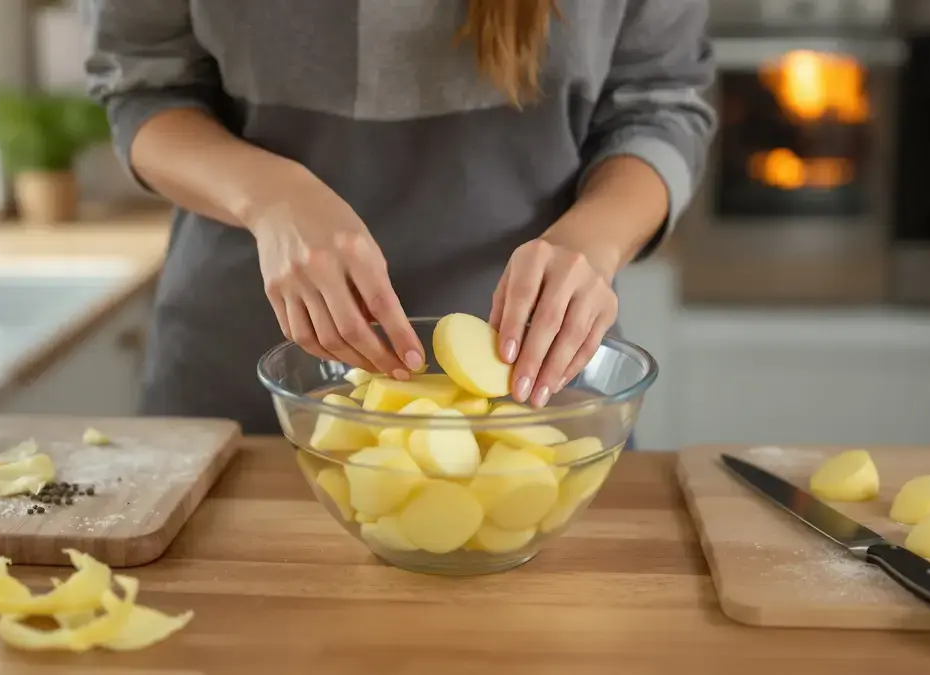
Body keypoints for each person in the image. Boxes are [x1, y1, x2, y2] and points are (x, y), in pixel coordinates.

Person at [83, 0, 716, 435]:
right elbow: (144, 92)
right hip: (245, 381)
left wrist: (595, 239)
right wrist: (270, 195)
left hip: (533, 396)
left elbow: (659, 106)